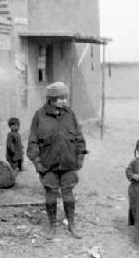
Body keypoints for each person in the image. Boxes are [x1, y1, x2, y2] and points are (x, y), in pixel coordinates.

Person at [27, 82, 88, 240]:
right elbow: (32, 143)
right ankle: (52, 226)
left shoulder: (70, 114)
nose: (63, 101)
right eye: (60, 98)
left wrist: (79, 158)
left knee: (68, 194)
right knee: (50, 194)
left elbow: (80, 138)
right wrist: (38, 163)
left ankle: (71, 225)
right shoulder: (39, 116)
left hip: (68, 164)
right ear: (51, 99)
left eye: (65, 98)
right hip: (48, 166)